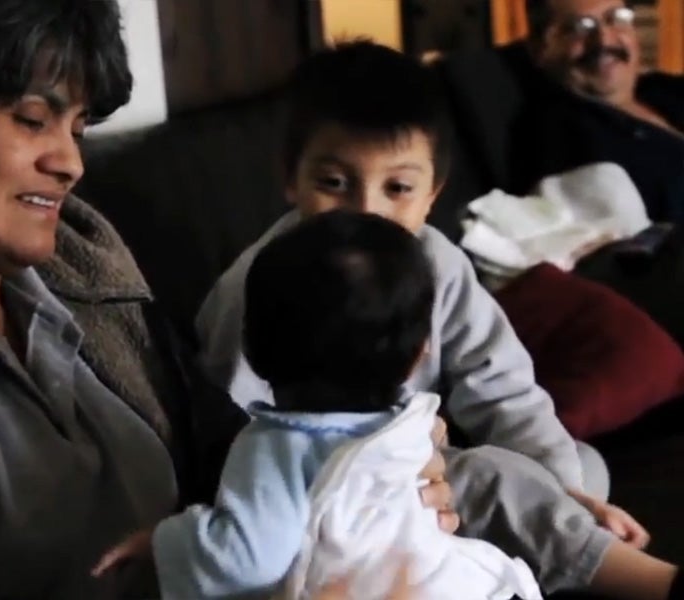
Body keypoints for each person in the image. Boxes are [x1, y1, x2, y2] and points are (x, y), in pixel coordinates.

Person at [0, 2, 454, 598]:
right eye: (32, 120)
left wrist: (367, 474)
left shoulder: (94, 282)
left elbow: (239, 449)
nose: (71, 163)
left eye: (78, 130)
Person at [194, 40, 684, 599]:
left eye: (397, 188)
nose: (367, 212)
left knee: (577, 470)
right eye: (334, 184)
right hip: (305, 493)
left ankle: (539, 542)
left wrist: (565, 492)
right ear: (291, 178)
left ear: (433, 194)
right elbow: (230, 424)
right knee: (500, 483)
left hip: (420, 469)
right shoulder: (263, 278)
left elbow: (503, 390)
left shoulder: (439, 266)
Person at [93, 210, 541, 600]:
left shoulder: (276, 446)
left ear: (250, 347)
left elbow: (251, 558)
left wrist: (164, 541)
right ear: (420, 353)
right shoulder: (413, 422)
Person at [513, 0, 684, 221]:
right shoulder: (563, 136)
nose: (603, 40)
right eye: (578, 28)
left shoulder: (662, 90)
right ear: (539, 50)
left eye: (615, 18)